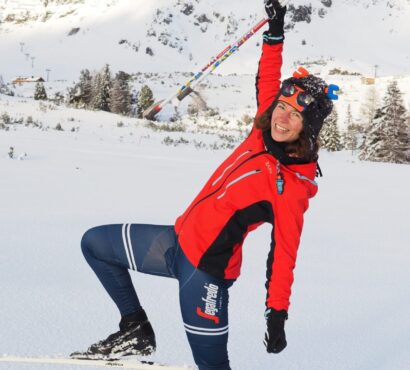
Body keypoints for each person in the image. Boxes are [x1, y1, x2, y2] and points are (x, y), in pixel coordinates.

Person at [71, 1, 336, 369]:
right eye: (281, 107)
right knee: (95, 244)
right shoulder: (260, 132)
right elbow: (267, 77)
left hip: (206, 275)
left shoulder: (291, 187)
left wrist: (276, 314)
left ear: (308, 126)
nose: (282, 117)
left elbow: (284, 256)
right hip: (174, 243)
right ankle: (135, 329)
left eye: (295, 115)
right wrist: (275, 32)